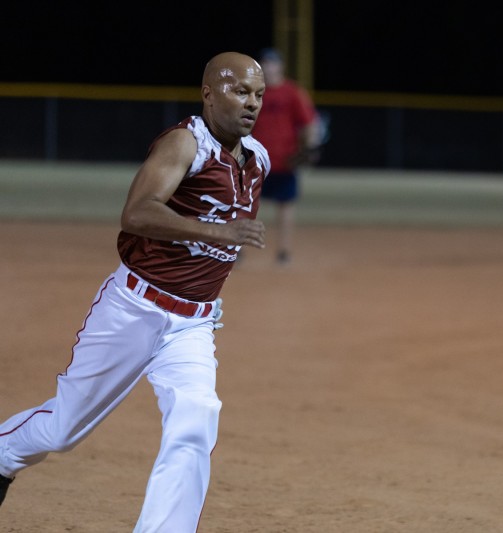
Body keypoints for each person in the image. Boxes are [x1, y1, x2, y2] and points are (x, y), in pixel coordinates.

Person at [0, 51, 270, 532]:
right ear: (209, 94)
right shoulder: (186, 143)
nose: (251, 103)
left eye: (258, 94)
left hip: (194, 323)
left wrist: (218, 243)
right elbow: (138, 212)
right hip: (134, 308)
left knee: (196, 418)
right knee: (64, 429)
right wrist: (217, 233)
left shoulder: (258, 159)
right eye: (239, 90)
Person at [250, 47, 321, 265]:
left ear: (280, 67)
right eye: (265, 64)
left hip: (285, 159)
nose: (269, 68)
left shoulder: (291, 92)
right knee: (246, 204)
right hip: (256, 159)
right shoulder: (254, 90)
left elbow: (309, 123)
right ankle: (238, 250)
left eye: (273, 63)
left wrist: (309, 148)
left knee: (286, 205)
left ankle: (284, 251)